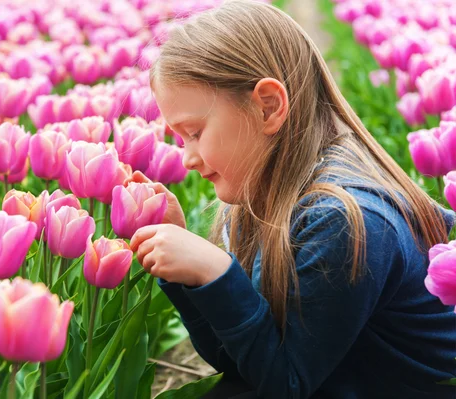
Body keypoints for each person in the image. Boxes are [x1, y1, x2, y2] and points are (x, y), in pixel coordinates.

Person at [126, 1, 456, 398]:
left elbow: (286, 384)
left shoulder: (343, 220)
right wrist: (188, 277)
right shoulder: (260, 200)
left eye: (194, 132)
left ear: (268, 106)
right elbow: (240, 362)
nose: (187, 158)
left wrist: (216, 273)